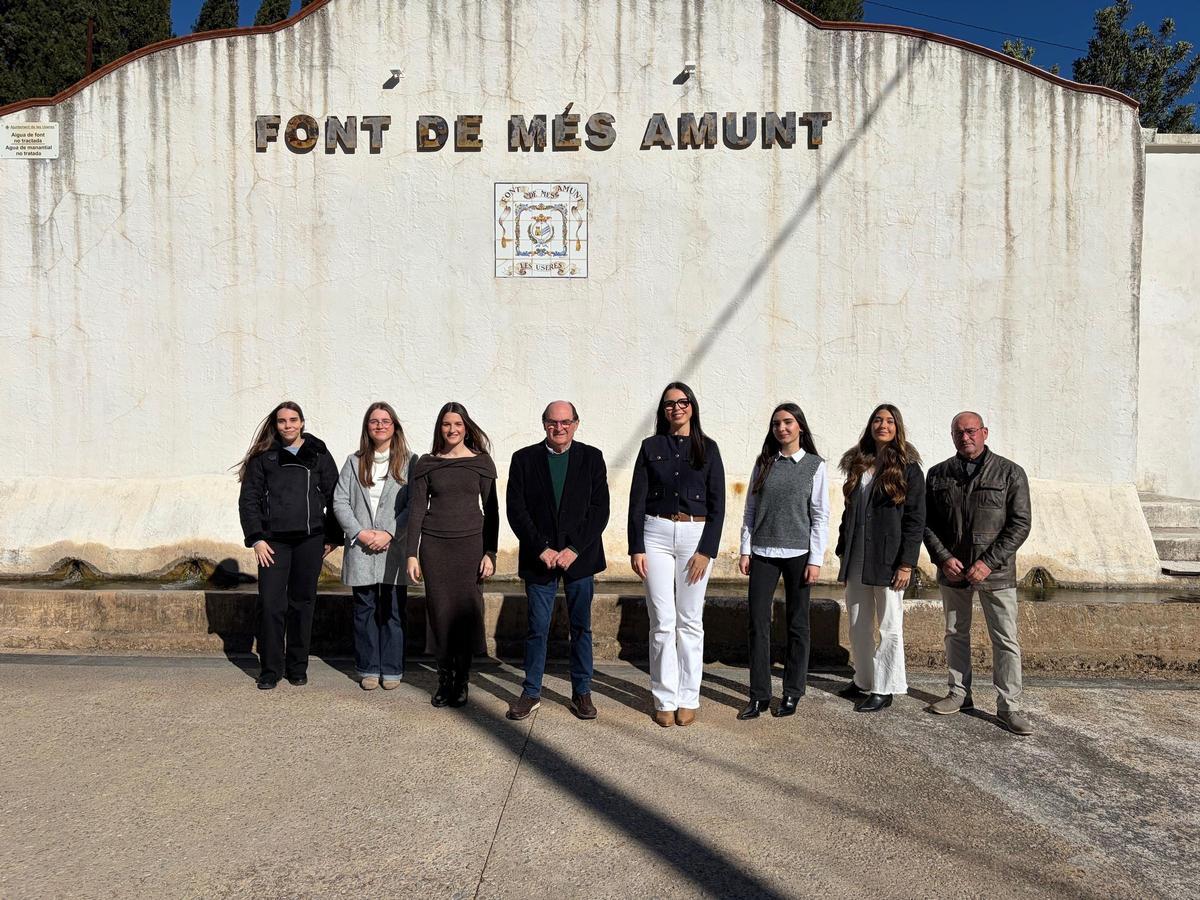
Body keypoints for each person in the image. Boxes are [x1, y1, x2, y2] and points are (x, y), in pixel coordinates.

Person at [923, 412, 1033, 735]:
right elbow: (926, 524)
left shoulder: (1010, 473)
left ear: (984, 432)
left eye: (971, 431)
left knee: (1005, 639)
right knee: (955, 633)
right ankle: (959, 692)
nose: (965, 437)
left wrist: (988, 561)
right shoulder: (938, 474)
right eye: (958, 432)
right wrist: (943, 558)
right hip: (953, 571)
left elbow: (1020, 524)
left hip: (996, 574)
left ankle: (1009, 706)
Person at [505, 401, 610, 722]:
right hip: (541, 558)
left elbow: (599, 509)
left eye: (566, 422)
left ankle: (582, 691)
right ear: (544, 424)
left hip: (580, 558)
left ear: (576, 424)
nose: (559, 428)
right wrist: (542, 548)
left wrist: (575, 548)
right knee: (537, 628)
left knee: (581, 627)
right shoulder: (523, 459)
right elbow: (516, 509)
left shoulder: (592, 458)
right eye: (553, 422)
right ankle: (531, 691)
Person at [628, 382, 725, 727]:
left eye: (682, 402)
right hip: (655, 534)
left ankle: (689, 696)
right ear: (663, 411)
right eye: (669, 404)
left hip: (694, 537)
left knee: (690, 620)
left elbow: (718, 505)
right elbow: (637, 500)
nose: (676, 408)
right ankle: (664, 698)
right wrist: (636, 546)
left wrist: (706, 550)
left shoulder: (708, 449)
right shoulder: (650, 447)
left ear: (692, 406)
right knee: (662, 621)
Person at [237, 401, 341, 690]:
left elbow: (335, 495)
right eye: (282, 421)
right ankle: (270, 668)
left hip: (310, 539)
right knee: (271, 603)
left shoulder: (318, 452)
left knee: (302, 603)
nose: (288, 426)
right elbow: (249, 499)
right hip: (273, 543)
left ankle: (297, 666)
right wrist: (256, 538)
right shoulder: (263, 456)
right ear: (276, 424)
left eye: (293, 420)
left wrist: (333, 536)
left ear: (302, 423)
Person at [736, 403, 830, 720]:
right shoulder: (763, 463)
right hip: (762, 552)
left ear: (799, 426)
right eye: (776, 423)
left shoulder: (815, 466)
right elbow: (750, 510)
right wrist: (745, 549)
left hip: (799, 555)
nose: (782, 428)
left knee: (797, 625)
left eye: (788, 422)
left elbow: (820, 516)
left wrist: (815, 560)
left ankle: (791, 693)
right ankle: (759, 695)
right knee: (756, 623)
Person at [406, 403, 499, 708]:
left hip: (470, 546)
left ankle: (461, 679)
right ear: (440, 428)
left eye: (457, 424)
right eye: (446, 424)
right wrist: (412, 554)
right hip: (435, 547)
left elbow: (493, 511)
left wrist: (490, 552)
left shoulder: (481, 463)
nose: (452, 430)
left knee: (466, 613)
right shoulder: (427, 464)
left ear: (466, 427)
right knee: (441, 614)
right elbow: (417, 509)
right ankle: (444, 678)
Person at [834, 404, 925, 713]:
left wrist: (906, 564)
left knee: (889, 624)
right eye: (877, 420)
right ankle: (863, 680)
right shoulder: (858, 465)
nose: (882, 425)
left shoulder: (908, 468)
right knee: (858, 623)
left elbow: (915, 520)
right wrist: (842, 553)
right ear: (870, 425)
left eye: (889, 421)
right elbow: (848, 513)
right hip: (856, 556)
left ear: (897, 427)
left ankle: (884, 687)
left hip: (888, 560)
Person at [333, 402, 418, 691]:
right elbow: (340, 501)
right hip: (362, 547)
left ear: (395, 426)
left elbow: (414, 505)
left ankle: (392, 668)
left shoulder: (410, 461)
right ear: (367, 427)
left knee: (394, 609)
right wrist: (360, 533)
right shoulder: (353, 461)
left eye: (385, 420)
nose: (380, 425)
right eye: (374, 421)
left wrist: (390, 533)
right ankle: (368, 667)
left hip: (394, 549)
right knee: (364, 609)